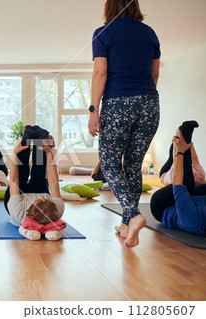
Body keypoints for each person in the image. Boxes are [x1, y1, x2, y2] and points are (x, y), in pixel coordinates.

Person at [88, 0, 161, 247]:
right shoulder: (149, 32)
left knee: (109, 164)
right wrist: (144, 100)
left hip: (119, 102)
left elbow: (101, 73)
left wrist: (93, 110)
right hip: (150, 103)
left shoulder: (103, 33)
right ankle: (126, 224)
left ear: (109, 7)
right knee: (132, 165)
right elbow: (154, 75)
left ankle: (135, 215)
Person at [4, 125, 65, 241]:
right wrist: (48, 153)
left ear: (31, 206)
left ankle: (26, 138)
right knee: (39, 175)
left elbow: (14, 180)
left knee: (21, 176)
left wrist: (15, 154)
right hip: (33, 196)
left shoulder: (17, 210)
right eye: (45, 199)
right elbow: (53, 181)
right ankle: (39, 140)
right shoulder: (57, 209)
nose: (42, 197)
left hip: (19, 197)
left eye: (40, 200)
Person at [150, 132, 206, 235]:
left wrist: (179, 151)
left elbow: (178, 185)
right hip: (195, 201)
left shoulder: (193, 220)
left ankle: (179, 145)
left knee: (187, 184)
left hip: (162, 206)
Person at [159, 121, 205, 186]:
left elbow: (176, 158)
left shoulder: (175, 177)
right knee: (178, 155)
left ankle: (178, 135)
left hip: (165, 174)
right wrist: (188, 140)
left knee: (172, 158)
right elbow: (194, 158)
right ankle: (182, 134)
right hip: (178, 171)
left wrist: (175, 142)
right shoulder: (201, 175)